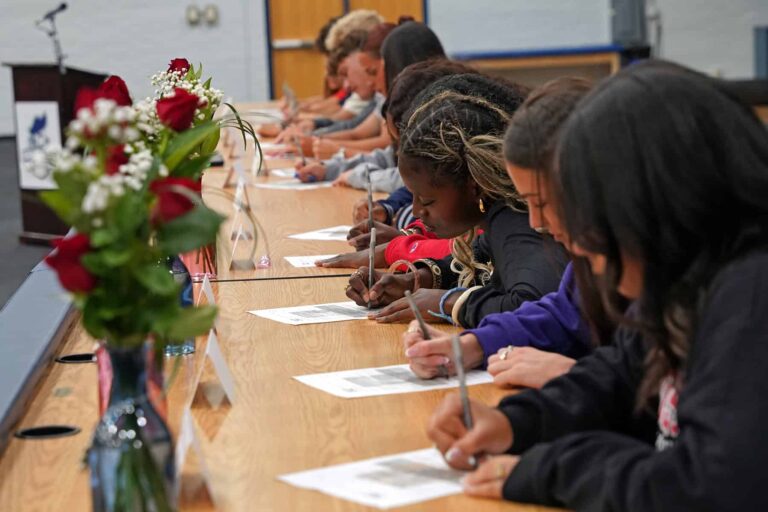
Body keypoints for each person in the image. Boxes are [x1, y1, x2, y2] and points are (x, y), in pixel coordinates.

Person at [427, 60, 768, 510]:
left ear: (659, 199)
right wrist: (518, 423)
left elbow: (708, 488)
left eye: (591, 211)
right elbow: (621, 373)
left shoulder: (750, 295)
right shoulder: (682, 276)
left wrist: (553, 468)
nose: (581, 244)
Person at [403, 78, 610, 390]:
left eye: (543, 203)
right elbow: (564, 312)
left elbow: (658, 391)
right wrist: (473, 345)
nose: (537, 221)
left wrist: (580, 378)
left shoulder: (660, 264)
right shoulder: (598, 253)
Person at [346, 74, 567, 329]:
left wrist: (448, 303)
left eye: (427, 201)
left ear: (474, 187)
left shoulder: (517, 220)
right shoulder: (497, 214)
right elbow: (478, 260)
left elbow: (532, 308)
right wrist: (414, 280)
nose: (417, 211)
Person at [295, 21, 447, 182]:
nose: (374, 83)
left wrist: (345, 163)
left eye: (374, 71)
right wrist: (329, 168)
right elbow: (392, 157)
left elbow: (413, 177)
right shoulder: (407, 103)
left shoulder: (438, 112)